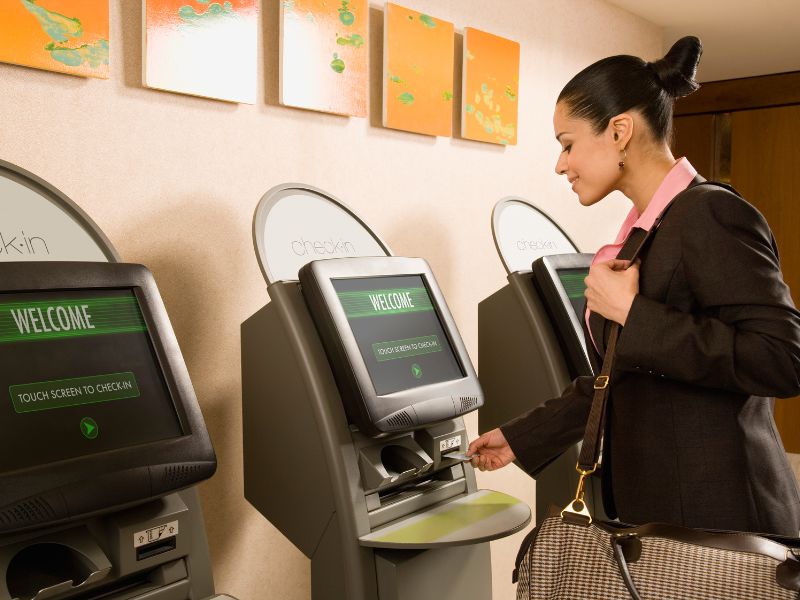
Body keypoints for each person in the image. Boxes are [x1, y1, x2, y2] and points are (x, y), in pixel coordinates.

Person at [468, 36, 800, 537]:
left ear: (620, 130)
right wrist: (521, 437)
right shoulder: (648, 228)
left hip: (721, 521)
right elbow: (625, 375)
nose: (561, 164)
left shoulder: (708, 213)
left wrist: (634, 314)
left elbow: (781, 358)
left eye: (568, 144)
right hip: (666, 513)